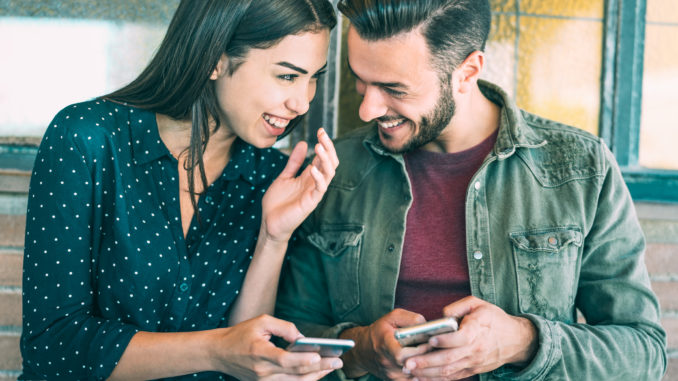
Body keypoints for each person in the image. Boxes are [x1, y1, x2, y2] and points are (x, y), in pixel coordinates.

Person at [275, 0, 667, 380]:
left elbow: (643, 354)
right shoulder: (335, 170)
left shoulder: (583, 168)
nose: (368, 110)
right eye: (361, 83)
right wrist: (360, 348)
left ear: (467, 71)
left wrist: (523, 342)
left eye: (395, 89)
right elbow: (291, 339)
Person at [20, 0, 341, 379]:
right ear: (215, 59)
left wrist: (273, 237)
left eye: (314, 77)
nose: (302, 102)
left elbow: (248, 356)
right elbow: (52, 346)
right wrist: (215, 350)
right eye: (287, 76)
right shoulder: (88, 139)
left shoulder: (274, 178)